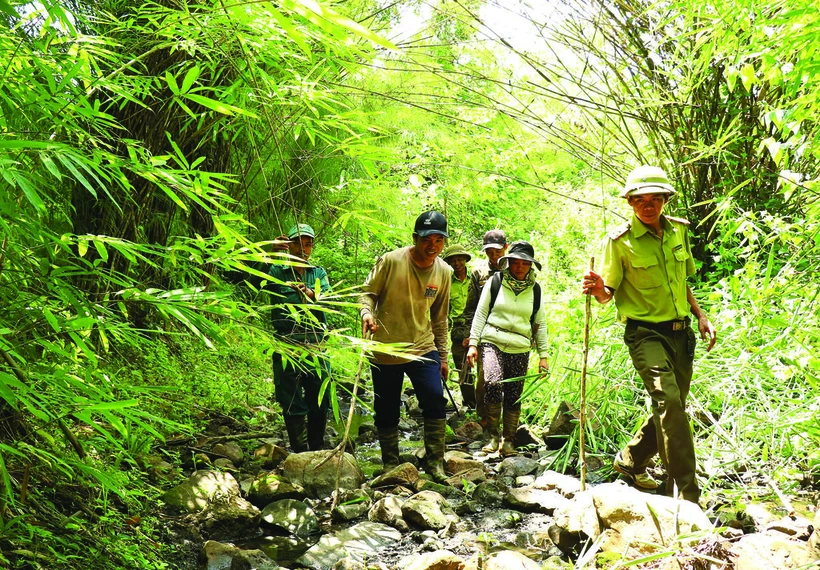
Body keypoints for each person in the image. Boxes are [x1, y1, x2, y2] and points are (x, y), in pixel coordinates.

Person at [582, 165, 717, 503]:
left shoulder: (678, 231)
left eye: (655, 199)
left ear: (665, 200)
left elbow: (680, 282)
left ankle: (631, 459)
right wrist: (598, 288)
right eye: (640, 200)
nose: (648, 205)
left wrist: (700, 315)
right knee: (669, 403)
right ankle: (686, 496)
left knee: (673, 407)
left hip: (681, 334)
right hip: (645, 334)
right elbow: (607, 294)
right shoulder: (620, 242)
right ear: (630, 202)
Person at [360, 211, 451, 482]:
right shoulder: (390, 261)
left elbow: (440, 318)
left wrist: (443, 357)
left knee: (435, 398)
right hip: (386, 347)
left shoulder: (444, 272)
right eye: (427, 239)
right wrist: (366, 313)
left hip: (423, 345)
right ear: (415, 238)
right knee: (386, 408)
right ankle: (391, 463)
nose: (432, 246)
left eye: (438, 240)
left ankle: (435, 462)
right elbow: (367, 293)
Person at [465, 241, 549, 456]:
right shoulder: (496, 281)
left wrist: (544, 356)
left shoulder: (535, 290)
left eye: (525, 263)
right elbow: (480, 313)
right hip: (492, 339)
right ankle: (493, 436)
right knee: (492, 383)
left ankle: (508, 441)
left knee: (514, 394)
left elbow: (540, 323)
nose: (520, 267)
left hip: (520, 345)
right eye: (515, 262)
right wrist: (473, 343)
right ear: (508, 262)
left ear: (530, 265)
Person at [267, 223, 331, 453]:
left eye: (308, 244)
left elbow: (327, 298)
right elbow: (252, 279)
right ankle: (300, 452)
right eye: (297, 243)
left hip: (316, 345)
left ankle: (316, 449)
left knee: (320, 400)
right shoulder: (277, 271)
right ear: (288, 245)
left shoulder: (318, 273)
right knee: (291, 400)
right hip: (287, 345)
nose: (303, 249)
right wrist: (270, 253)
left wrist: (310, 293)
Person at [462, 230, 509, 428]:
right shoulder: (478, 273)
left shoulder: (516, 269)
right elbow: (470, 307)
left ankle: (507, 418)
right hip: (485, 331)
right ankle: (484, 418)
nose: (494, 255)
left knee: (509, 377)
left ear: (506, 248)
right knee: (485, 377)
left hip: (511, 331)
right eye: (489, 252)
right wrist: (469, 335)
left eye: (497, 251)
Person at [442, 243, 475, 408]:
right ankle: (470, 404)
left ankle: (487, 405)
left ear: (465, 260)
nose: (457, 263)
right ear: (449, 263)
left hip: (476, 326)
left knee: (484, 366)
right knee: (462, 368)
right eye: (453, 261)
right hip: (458, 329)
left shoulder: (476, 278)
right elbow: (444, 310)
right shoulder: (447, 282)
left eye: (460, 259)